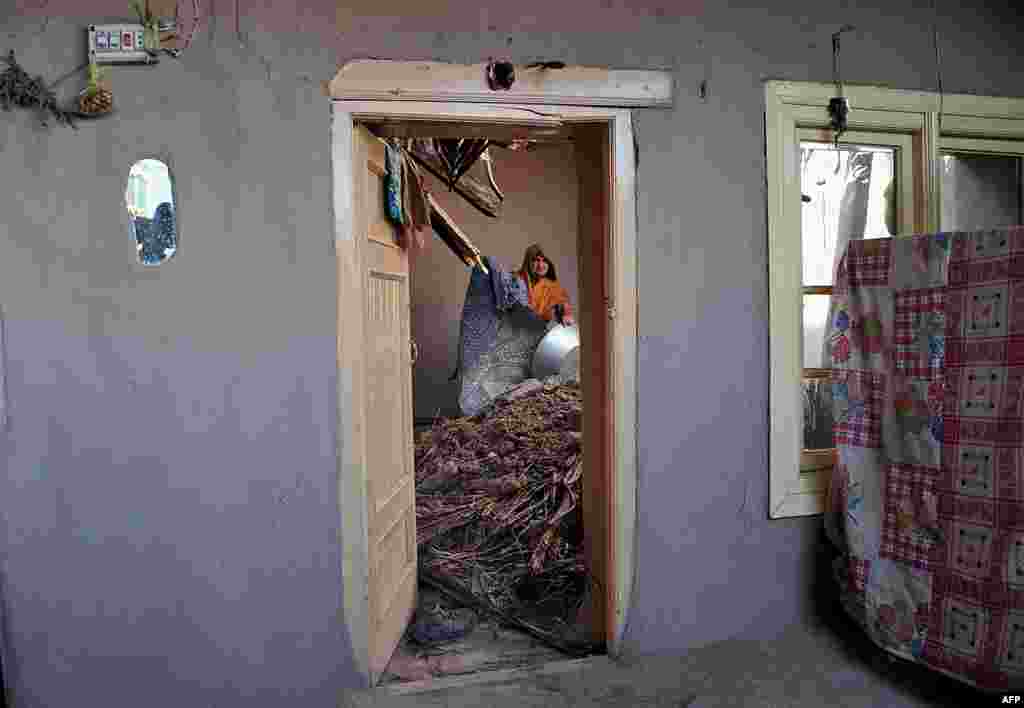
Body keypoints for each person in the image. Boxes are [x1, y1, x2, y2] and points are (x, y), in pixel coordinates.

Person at [517, 244, 574, 326]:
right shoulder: (516, 279)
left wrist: (565, 313)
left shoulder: (553, 286)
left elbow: (563, 303)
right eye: (536, 260)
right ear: (528, 262)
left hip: (539, 331)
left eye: (544, 260)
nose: (541, 265)